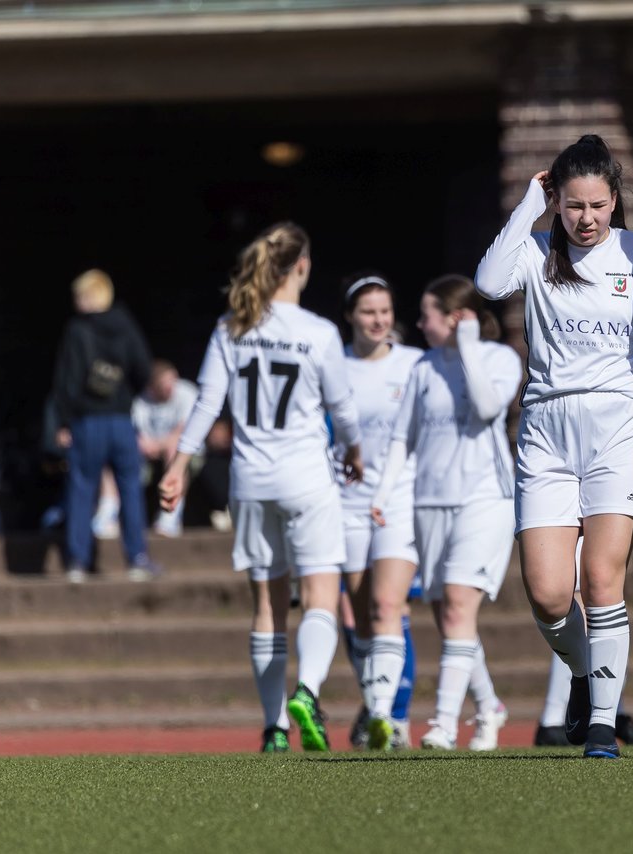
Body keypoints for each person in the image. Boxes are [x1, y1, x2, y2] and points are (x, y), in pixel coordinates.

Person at [475, 134, 633, 759]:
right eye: (574, 206)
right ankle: (585, 675)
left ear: (616, 202)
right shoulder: (533, 250)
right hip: (545, 433)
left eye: (599, 206)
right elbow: (487, 282)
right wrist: (530, 202)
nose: (587, 220)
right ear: (557, 201)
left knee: (603, 577)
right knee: (551, 593)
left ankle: (605, 729)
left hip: (618, 428)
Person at [159, 222, 363, 754]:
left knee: (268, 606)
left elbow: (206, 403)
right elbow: (342, 411)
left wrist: (179, 465)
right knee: (321, 592)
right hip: (306, 478)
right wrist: (355, 452)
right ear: (302, 267)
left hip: (250, 483)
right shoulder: (318, 332)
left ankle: (273, 727)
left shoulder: (232, 326)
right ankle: (308, 692)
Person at [371, 274, 521, 752]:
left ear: (456, 317)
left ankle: (441, 724)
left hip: (485, 498)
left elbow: (485, 408)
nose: (419, 323)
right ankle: (490, 706)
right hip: (428, 501)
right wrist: (383, 490)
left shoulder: (499, 359)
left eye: (428, 315)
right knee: (449, 615)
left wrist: (471, 346)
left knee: (458, 603)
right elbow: (402, 437)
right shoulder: (423, 366)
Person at [51, 269, 159, 583]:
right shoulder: (126, 326)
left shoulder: (77, 330)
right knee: (130, 487)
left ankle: (77, 562)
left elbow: (66, 379)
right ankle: (137, 558)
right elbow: (144, 368)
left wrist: (63, 420)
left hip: (87, 422)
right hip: (122, 421)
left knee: (82, 488)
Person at [131, 359, 199, 537]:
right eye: (164, 385)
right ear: (152, 387)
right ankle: (110, 513)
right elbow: (139, 437)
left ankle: (170, 516)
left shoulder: (187, 392)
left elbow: (182, 433)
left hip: (187, 454)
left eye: (172, 381)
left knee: (174, 449)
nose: (171, 388)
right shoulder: (141, 401)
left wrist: (159, 444)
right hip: (148, 456)